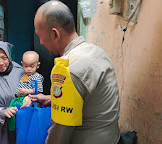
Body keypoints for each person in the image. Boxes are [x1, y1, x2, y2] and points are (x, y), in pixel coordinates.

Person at [23, 1, 121, 144]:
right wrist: (52, 99)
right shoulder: (97, 52)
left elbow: (60, 133)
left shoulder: (66, 68)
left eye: (40, 36)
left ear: (55, 34)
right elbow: (86, 99)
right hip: (113, 138)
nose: (41, 42)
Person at [8, 51, 44, 132]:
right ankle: (13, 128)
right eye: (25, 66)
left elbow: (38, 90)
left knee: (24, 118)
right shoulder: (24, 75)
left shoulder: (37, 77)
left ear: (38, 65)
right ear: (22, 64)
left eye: (32, 66)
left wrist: (26, 91)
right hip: (19, 99)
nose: (28, 69)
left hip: (30, 100)